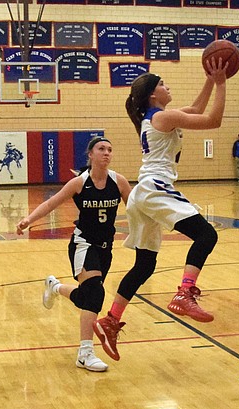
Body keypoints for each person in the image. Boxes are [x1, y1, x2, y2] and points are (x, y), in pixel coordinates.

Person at [92, 59, 228, 361]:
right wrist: (221, 83)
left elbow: (194, 109)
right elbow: (213, 120)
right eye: (163, 84)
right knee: (206, 236)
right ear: (154, 94)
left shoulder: (157, 116)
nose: (169, 87)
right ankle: (185, 292)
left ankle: (111, 320)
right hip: (155, 187)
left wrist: (209, 79)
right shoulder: (162, 118)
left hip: (143, 192)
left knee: (144, 266)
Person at [15, 136, 131, 371]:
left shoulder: (119, 182)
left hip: (106, 247)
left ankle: (55, 286)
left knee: (87, 297)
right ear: (90, 154)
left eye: (110, 149)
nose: (106, 153)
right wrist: (28, 219)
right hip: (83, 244)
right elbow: (51, 203)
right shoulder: (79, 182)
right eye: (101, 149)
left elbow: (135, 209)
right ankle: (85, 353)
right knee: (96, 293)